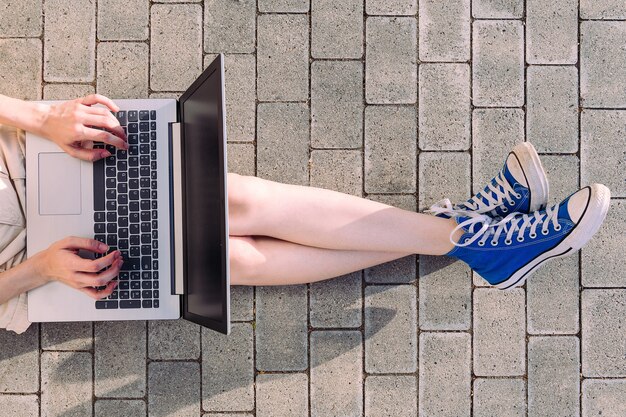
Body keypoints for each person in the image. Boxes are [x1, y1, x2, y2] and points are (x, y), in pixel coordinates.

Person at [0, 93, 610, 334]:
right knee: (228, 258)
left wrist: (37, 116)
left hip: (35, 158)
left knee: (232, 200)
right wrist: (39, 273)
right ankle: (475, 236)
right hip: (32, 267)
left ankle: (471, 235)